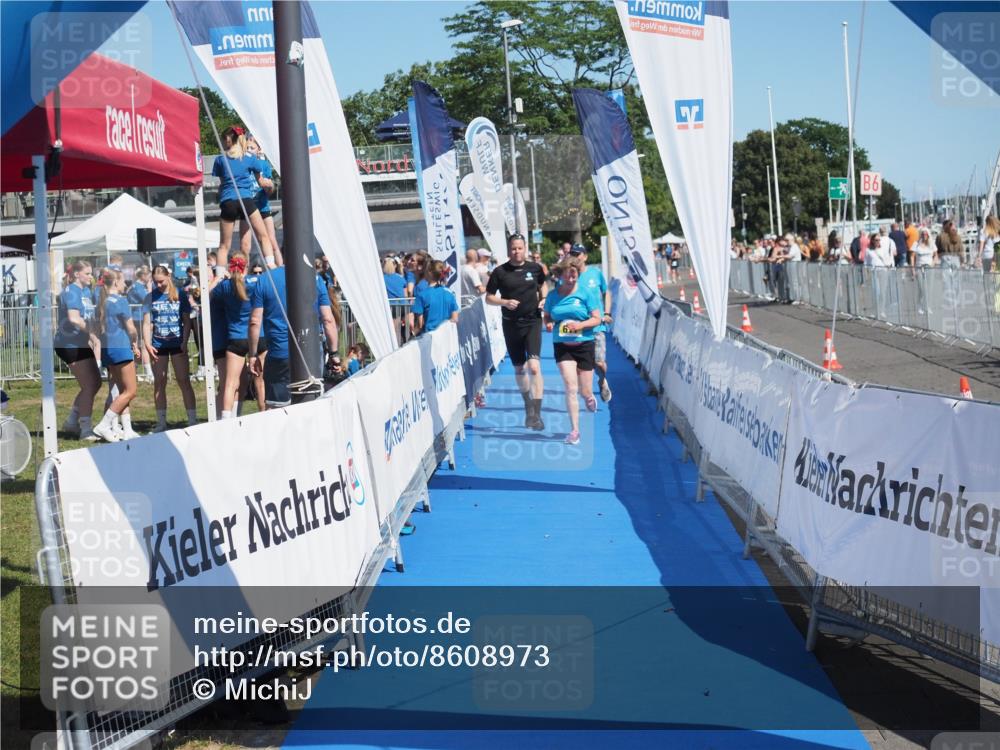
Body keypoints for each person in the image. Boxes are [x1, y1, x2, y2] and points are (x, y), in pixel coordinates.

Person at [247, 264, 338, 409]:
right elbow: (328, 319)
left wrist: (252, 354)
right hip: (311, 352)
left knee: (278, 409)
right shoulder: (315, 278)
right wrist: (334, 353)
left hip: (279, 353)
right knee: (311, 404)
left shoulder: (265, 279)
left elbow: (254, 322)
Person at [485, 234, 547, 430]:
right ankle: (527, 403)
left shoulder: (535, 268)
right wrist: (504, 302)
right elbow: (488, 298)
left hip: (533, 321)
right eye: (513, 248)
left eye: (520, 248)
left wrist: (543, 298)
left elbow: (542, 284)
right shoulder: (499, 272)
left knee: (535, 367)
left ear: (525, 248)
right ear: (509, 249)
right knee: (520, 369)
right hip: (511, 324)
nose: (517, 252)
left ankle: (536, 413)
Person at [543, 256, 602, 446]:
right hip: (562, 345)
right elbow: (547, 316)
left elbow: (597, 319)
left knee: (584, 391)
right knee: (570, 387)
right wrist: (549, 323)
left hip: (584, 344)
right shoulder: (553, 296)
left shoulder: (585, 293)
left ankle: (589, 396)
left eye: (574, 276)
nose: (571, 279)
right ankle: (575, 430)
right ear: (560, 275)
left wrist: (580, 325)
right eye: (568, 276)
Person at [209, 252, 266, 419]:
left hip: (236, 338)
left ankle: (227, 420)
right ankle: (263, 417)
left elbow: (208, 296)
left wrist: (219, 278)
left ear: (230, 266)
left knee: (230, 384)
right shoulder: (257, 282)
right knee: (261, 383)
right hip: (258, 336)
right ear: (246, 266)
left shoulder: (225, 286)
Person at [212, 125, 274, 274]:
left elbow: (222, 185)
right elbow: (261, 182)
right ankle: (271, 267)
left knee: (223, 245)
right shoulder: (250, 158)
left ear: (227, 140)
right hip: (246, 200)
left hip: (228, 202)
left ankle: (220, 276)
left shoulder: (220, 159)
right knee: (263, 236)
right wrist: (270, 184)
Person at [142, 265, 197, 432]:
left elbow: (187, 321)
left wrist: (185, 341)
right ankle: (161, 422)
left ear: (168, 277)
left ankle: (192, 420)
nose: (158, 285)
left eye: (161, 282)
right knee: (159, 382)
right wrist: (147, 344)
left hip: (177, 344)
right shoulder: (150, 297)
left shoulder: (179, 294)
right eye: (155, 282)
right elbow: (146, 323)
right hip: (158, 345)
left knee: (183, 380)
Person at [92, 269, 141, 442]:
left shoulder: (102, 301)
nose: (125, 283)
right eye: (123, 280)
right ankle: (104, 425)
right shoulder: (120, 301)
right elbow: (131, 329)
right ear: (115, 282)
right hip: (120, 348)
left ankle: (127, 429)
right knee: (130, 391)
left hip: (108, 349)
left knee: (121, 391)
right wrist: (135, 341)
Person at [55, 260, 101, 440]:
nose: (91, 276)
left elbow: (88, 316)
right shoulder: (71, 292)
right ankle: (85, 429)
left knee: (95, 383)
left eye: (91, 273)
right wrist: (92, 333)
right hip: (69, 344)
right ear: (76, 274)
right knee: (89, 385)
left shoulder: (86, 292)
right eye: (88, 273)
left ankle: (72, 421)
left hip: (81, 342)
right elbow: (74, 319)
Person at [568, 244, 613, 402]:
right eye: (572, 254)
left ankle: (602, 381)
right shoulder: (568, 276)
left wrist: (606, 313)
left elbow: (607, 292)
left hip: (596, 324)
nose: (575, 257)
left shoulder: (595, 273)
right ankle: (585, 393)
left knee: (599, 362)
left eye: (578, 254)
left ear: (585, 256)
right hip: (576, 327)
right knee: (577, 364)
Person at [240, 135, 282, 267]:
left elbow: (269, 191)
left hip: (262, 207)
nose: (249, 150)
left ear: (258, 150)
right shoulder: (242, 163)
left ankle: (280, 267)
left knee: (271, 240)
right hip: (247, 207)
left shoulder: (263, 165)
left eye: (252, 148)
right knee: (245, 244)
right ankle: (243, 273)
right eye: (247, 147)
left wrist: (268, 186)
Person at [412, 260, 459, 335]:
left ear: (429, 273)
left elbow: (420, 325)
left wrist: (411, 335)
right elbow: (455, 319)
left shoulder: (421, 295)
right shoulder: (450, 294)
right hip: (446, 336)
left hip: (429, 336)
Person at [128, 267, 153, 382]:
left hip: (137, 317)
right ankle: (149, 373)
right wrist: (149, 289)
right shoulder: (138, 287)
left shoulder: (135, 286)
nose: (150, 278)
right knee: (143, 345)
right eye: (148, 275)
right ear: (142, 276)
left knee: (138, 345)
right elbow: (148, 299)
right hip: (140, 318)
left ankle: (135, 372)